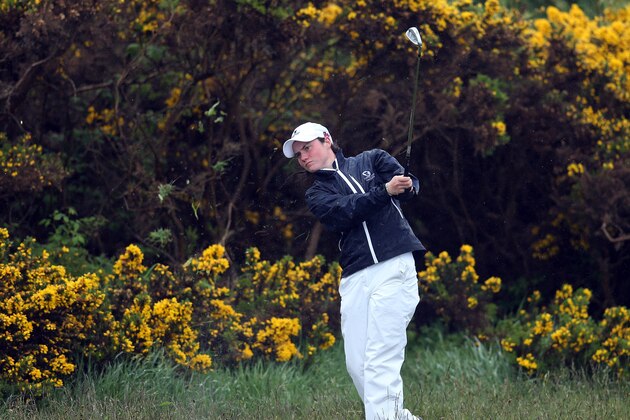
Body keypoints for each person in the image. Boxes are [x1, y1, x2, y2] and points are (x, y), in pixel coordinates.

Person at [283, 122, 426, 420]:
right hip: (355, 277)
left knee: (379, 360)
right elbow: (346, 211)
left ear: (327, 140)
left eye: (307, 148)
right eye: (298, 154)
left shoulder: (372, 159)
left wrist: (407, 185)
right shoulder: (316, 194)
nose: (303, 157)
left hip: (394, 265)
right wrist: (384, 191)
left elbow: (408, 187)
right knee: (357, 363)